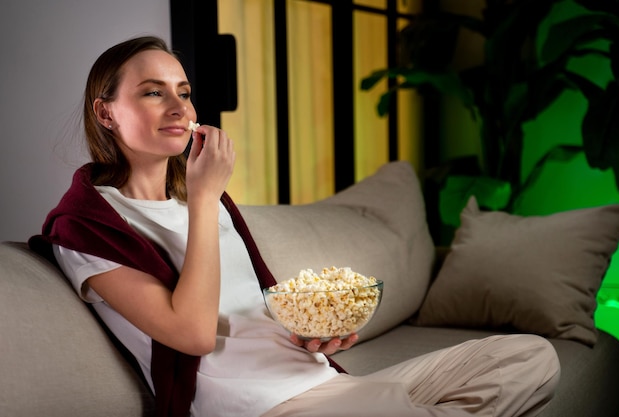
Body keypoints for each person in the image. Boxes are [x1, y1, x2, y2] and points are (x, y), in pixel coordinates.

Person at [29, 36, 560, 417]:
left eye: (184, 91)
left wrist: (309, 330)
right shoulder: (85, 226)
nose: (178, 106)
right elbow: (191, 334)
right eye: (152, 92)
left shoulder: (203, 195)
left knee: (529, 356)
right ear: (105, 113)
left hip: (323, 381)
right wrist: (206, 197)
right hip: (262, 405)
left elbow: (255, 304)